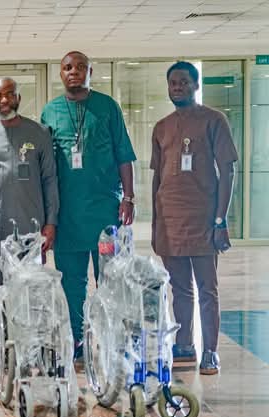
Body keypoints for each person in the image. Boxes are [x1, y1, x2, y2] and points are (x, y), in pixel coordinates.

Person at [41, 51, 136, 358]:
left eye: (81, 67)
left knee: (110, 279)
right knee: (72, 282)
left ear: (90, 72)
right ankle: (76, 341)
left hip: (105, 210)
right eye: (68, 67)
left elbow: (124, 155)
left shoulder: (107, 107)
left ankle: (111, 341)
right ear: (61, 73)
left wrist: (129, 197)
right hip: (67, 214)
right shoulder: (51, 111)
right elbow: (45, 166)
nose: (75, 72)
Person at [151, 61, 237, 375]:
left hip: (203, 219)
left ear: (196, 85)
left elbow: (228, 171)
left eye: (183, 82)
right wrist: (157, 224)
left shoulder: (214, 120)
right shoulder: (162, 127)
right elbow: (157, 177)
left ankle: (210, 351)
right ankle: (184, 344)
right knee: (180, 288)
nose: (177, 88)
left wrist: (220, 220)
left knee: (207, 289)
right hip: (171, 220)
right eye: (173, 83)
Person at [0, 77, 59, 288]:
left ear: (18, 97)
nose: (4, 100)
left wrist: (51, 222)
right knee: (0, 292)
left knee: (30, 292)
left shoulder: (40, 133)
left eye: (9, 94)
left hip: (31, 226)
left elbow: (49, 179)